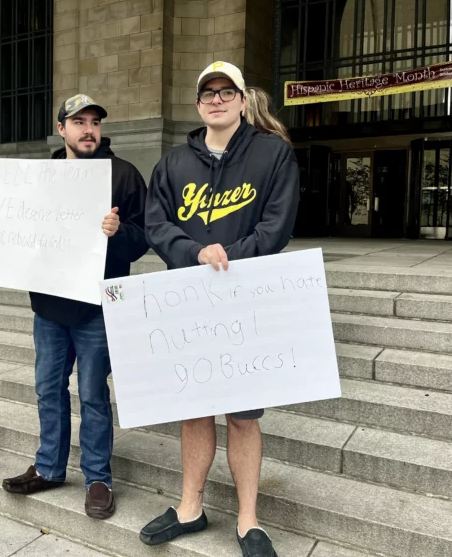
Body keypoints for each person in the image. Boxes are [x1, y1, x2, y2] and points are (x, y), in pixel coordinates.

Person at [140, 63, 299, 557]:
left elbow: (278, 224)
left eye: (226, 91)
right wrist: (195, 253)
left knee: (244, 416)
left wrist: (231, 257)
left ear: (241, 99)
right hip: (189, 304)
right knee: (194, 411)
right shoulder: (172, 164)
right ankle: (191, 507)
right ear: (197, 104)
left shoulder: (273, 154)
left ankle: (249, 520)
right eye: (207, 93)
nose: (216, 99)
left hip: (246, 300)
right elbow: (156, 224)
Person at [0, 94, 149, 519]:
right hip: (49, 306)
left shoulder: (123, 175)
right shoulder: (38, 177)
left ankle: (97, 478)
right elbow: (19, 226)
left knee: (92, 394)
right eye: (79, 121)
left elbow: (145, 237)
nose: (89, 129)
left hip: (96, 309)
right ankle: (50, 467)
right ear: (62, 129)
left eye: (95, 122)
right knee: (47, 388)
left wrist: (118, 230)